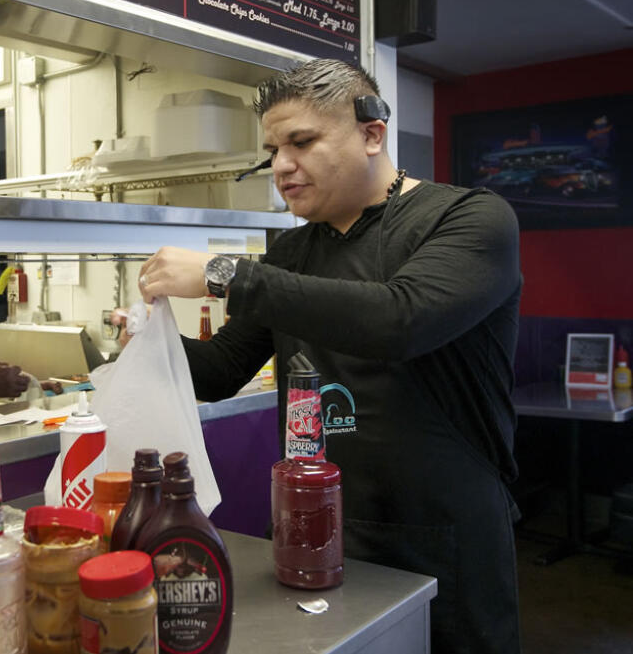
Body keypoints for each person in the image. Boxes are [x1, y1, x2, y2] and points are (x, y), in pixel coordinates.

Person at [138, 59, 521, 654]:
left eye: (302, 141)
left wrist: (225, 274)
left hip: (443, 530)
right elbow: (220, 371)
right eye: (272, 150)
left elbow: (401, 319)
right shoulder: (290, 252)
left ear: (372, 134)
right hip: (313, 525)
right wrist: (143, 338)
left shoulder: (468, 218)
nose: (282, 166)